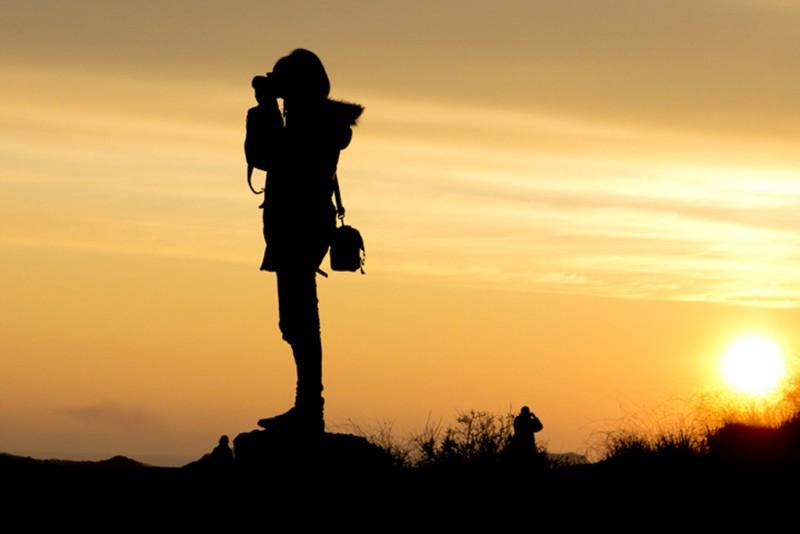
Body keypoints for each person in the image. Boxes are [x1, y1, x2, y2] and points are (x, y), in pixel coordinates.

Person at [245, 49, 363, 434]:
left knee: (300, 319)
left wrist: (265, 109)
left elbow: (266, 154)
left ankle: (309, 408)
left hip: (300, 227)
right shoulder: (312, 121)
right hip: (300, 225)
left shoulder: (312, 124)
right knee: (296, 319)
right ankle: (308, 406)